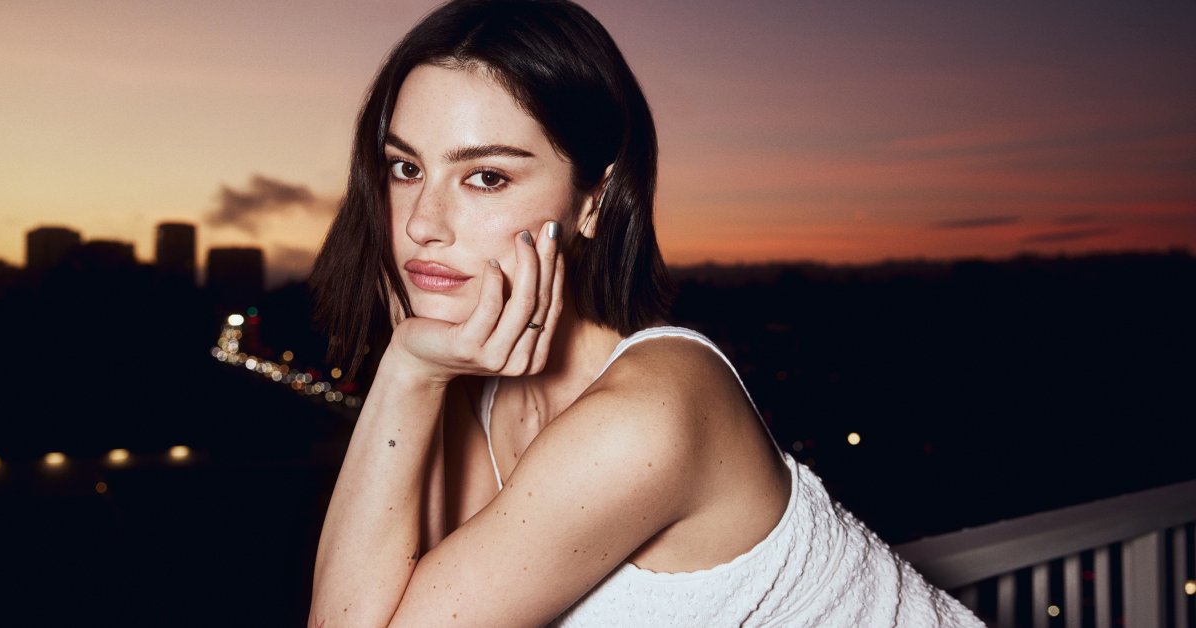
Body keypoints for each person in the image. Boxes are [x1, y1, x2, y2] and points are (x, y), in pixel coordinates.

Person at [308, 1, 984, 625]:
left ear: (594, 200)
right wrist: (417, 368)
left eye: (487, 177)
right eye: (405, 168)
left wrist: (408, 371)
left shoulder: (647, 415)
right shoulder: (480, 391)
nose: (422, 223)